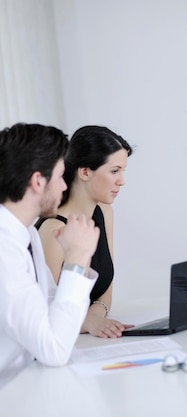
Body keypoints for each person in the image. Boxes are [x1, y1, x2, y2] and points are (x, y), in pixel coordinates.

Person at [0, 123, 100, 388]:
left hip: (24, 386)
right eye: (60, 176)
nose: (65, 187)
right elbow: (54, 349)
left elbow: (51, 305)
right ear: (37, 181)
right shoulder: (4, 249)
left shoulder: (27, 233)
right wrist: (77, 258)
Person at [37, 126, 133, 338]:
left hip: (86, 341)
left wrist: (93, 318)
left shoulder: (105, 213)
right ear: (85, 172)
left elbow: (105, 292)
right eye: (114, 171)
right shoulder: (54, 230)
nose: (122, 181)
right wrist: (87, 322)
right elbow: (44, 314)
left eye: (123, 171)